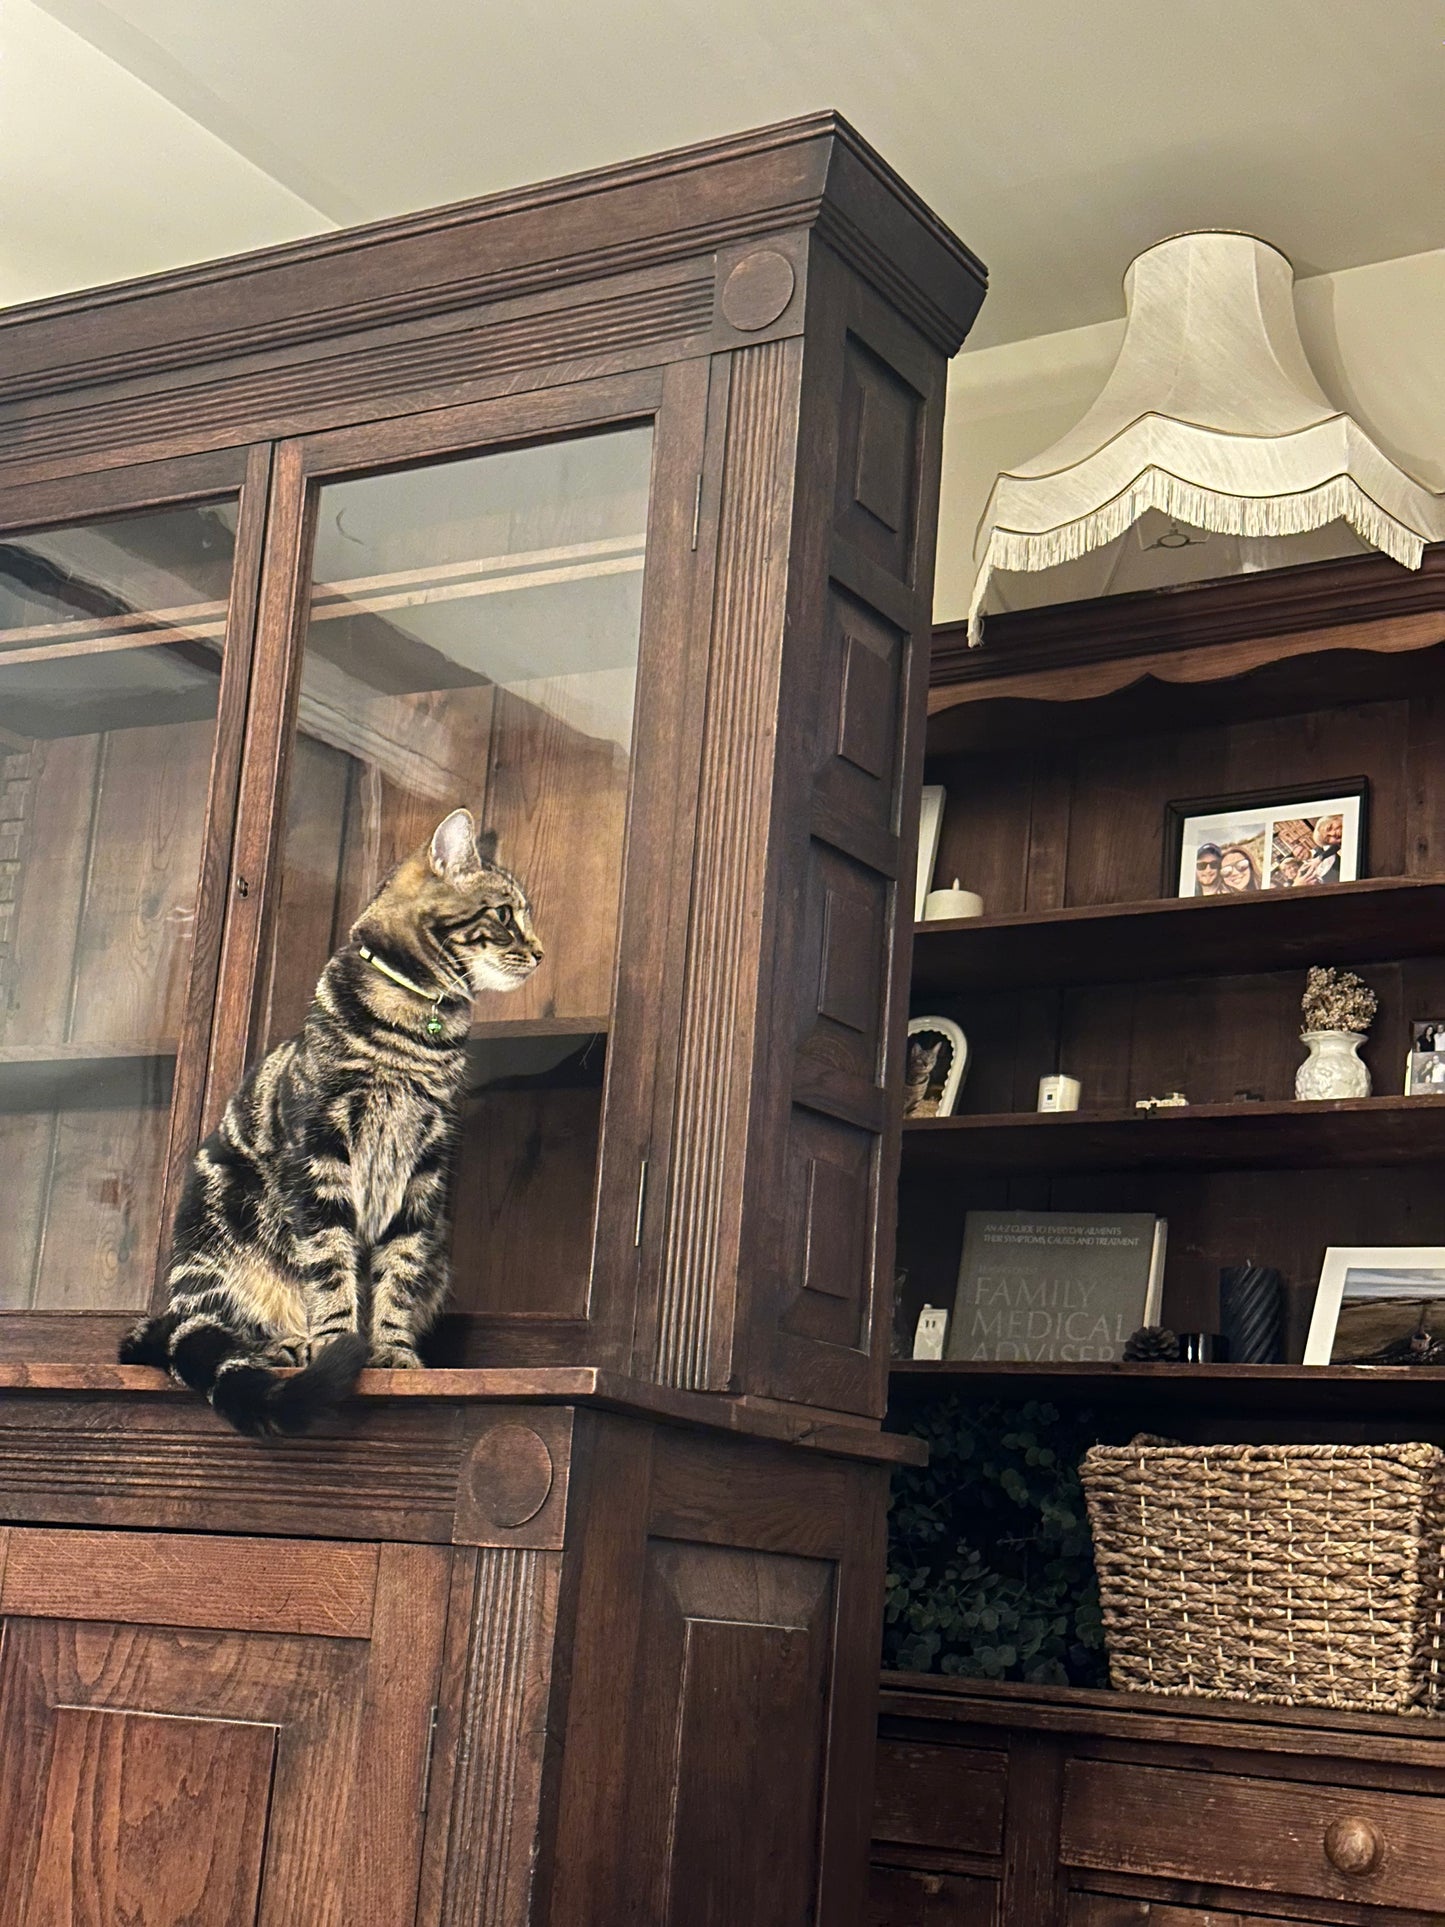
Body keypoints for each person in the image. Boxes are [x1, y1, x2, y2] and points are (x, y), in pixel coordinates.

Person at [1294, 812, 1345, 886]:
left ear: (1305, 848)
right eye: (1298, 855)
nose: (1333, 834)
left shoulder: (1321, 848)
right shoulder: (1304, 869)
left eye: (1301, 851)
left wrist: (1319, 858)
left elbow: (1335, 847)